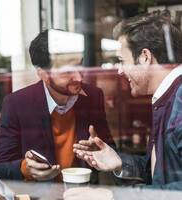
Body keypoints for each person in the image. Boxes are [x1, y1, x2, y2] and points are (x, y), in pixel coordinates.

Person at [73, 10, 182, 189]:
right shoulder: (167, 98)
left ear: (145, 57)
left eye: (123, 61)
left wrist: (111, 196)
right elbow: (160, 175)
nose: (120, 71)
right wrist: (119, 163)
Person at [0, 29, 115, 182]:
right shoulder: (17, 104)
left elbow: (110, 149)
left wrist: (100, 150)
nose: (78, 77)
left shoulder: (93, 96)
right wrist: (26, 168)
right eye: (67, 71)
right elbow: (0, 167)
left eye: (80, 65)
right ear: (43, 74)